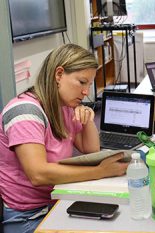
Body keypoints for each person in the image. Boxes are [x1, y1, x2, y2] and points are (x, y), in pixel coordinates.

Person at [0, 44, 129, 233]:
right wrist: (100, 171)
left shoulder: (64, 106)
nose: (86, 92)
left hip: (59, 200)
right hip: (30, 216)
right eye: (82, 82)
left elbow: (91, 150)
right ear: (59, 75)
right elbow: (38, 174)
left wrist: (87, 120)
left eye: (89, 84)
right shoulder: (24, 111)